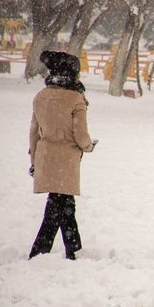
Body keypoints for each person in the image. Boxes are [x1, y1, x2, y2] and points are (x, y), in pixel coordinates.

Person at [28, 51, 97, 260]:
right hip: (65, 161)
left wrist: (34, 163)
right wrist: (89, 147)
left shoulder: (41, 96)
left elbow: (34, 133)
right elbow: (80, 134)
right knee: (56, 208)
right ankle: (39, 252)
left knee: (65, 206)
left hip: (46, 158)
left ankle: (74, 250)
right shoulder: (75, 99)